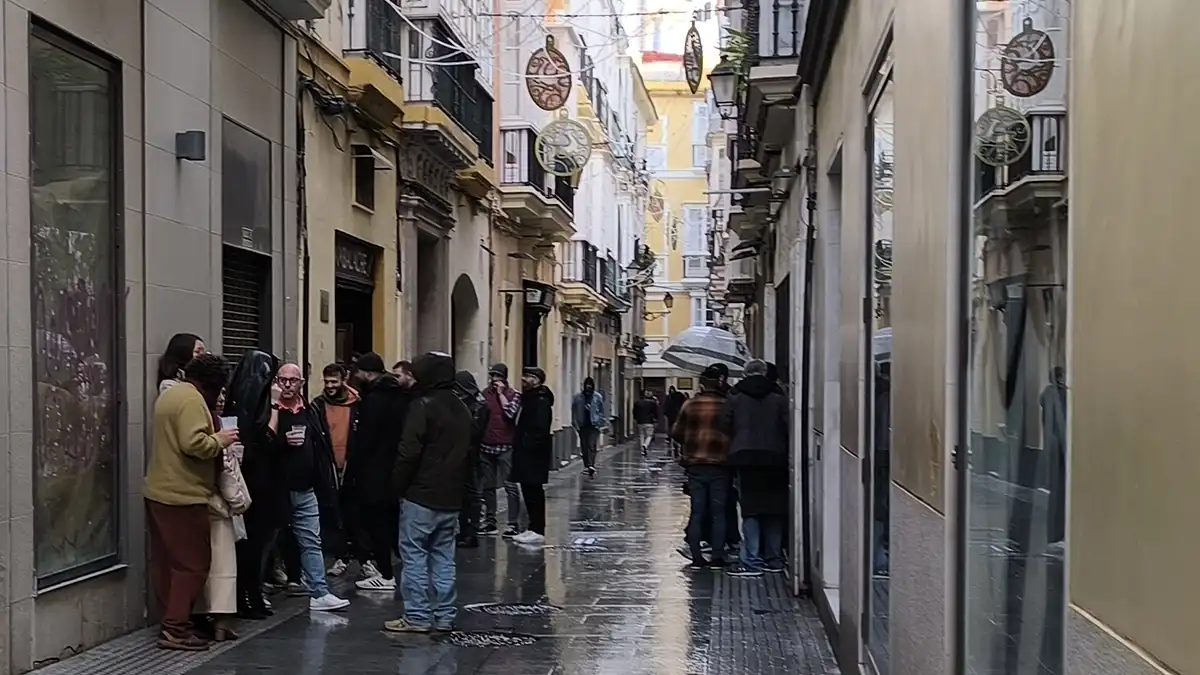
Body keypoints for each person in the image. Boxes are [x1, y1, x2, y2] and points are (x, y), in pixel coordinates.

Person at [145, 353, 239, 650]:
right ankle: (175, 629)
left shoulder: (172, 395)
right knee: (193, 565)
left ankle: (173, 622)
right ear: (211, 384)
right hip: (182, 495)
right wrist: (221, 440)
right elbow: (193, 443)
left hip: (159, 491)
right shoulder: (192, 401)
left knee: (168, 564)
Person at [384, 352, 474, 633]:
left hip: (421, 495)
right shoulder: (462, 408)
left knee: (414, 555)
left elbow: (408, 452)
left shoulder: (422, 406)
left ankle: (417, 616)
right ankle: (445, 615)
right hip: (451, 497)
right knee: (444, 557)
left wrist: (397, 486)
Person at [272, 363, 350, 611]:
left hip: (306, 488)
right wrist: (282, 442)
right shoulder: (271, 410)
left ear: (301, 383)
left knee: (311, 541)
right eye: (282, 380)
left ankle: (319, 592)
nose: (286, 385)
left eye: (292, 380)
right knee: (268, 541)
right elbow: (262, 444)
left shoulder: (309, 409)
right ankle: (258, 590)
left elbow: (320, 444)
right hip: (278, 489)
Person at [347, 353, 412, 592]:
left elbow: (365, 440)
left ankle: (385, 574)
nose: (354, 377)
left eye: (357, 372)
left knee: (377, 524)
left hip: (374, 472)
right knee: (392, 523)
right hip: (394, 471)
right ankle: (400, 571)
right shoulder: (400, 397)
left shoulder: (374, 400)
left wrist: (353, 472)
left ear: (367, 372)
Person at [721, 359, 790, 577]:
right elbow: (789, 427)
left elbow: (724, 424)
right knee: (774, 508)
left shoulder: (735, 396)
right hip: (775, 457)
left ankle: (751, 560)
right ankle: (774, 558)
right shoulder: (780, 397)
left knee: (750, 509)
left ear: (745, 373)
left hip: (745, 457)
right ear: (765, 372)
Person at [193, 389, 251, 642]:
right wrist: (240, 501)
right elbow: (225, 471)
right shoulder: (217, 427)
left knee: (205, 566)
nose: (222, 397)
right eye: (218, 392)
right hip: (218, 506)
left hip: (199, 502)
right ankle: (221, 624)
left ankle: (202, 618)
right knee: (223, 568)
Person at [672, 366, 733, 570]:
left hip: (695, 465)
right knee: (719, 512)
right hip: (720, 465)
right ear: (720, 382)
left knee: (697, 511)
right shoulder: (727, 405)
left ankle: (697, 556)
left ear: (702, 384)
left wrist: (692, 440)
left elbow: (677, 433)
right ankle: (717, 555)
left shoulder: (690, 405)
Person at [310, 363, 360, 577]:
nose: (330, 386)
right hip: (328, 466)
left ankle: (362, 556)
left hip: (352, 465)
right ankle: (341, 556)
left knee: (354, 513)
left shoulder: (356, 404)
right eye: (327, 382)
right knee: (332, 513)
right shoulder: (318, 405)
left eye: (334, 382)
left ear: (344, 380)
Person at [510, 367, 554, 546]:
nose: (524, 379)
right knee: (529, 490)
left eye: (528, 377)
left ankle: (537, 529)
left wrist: (529, 446)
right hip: (527, 451)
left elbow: (540, 428)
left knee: (534, 491)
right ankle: (532, 527)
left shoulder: (540, 400)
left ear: (536, 380)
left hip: (534, 454)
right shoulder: (530, 398)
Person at [478, 363, 523, 537]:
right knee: (487, 487)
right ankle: (490, 522)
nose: (494, 380)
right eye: (492, 376)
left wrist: (501, 394)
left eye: (498, 376)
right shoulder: (484, 394)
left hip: (506, 446)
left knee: (510, 486)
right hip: (486, 445)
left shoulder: (514, 395)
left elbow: (511, 414)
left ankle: (513, 524)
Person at [453, 370, 490, 549]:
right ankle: (464, 529)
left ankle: (471, 531)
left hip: (472, 455)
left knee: (472, 495)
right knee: (461, 495)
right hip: (461, 454)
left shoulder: (479, 406)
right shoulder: (464, 404)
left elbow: (475, 431)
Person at [571, 377, 605, 476]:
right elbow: (574, 411)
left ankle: (591, 465)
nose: (588, 387)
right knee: (584, 446)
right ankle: (586, 465)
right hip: (582, 425)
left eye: (590, 385)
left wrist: (599, 422)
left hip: (594, 425)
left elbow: (601, 410)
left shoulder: (597, 397)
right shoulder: (578, 397)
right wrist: (575, 423)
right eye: (587, 385)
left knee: (592, 445)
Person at [632, 390, 659, 455]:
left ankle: (642, 450)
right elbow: (655, 413)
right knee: (649, 435)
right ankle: (645, 445)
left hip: (640, 421)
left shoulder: (637, 403)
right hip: (649, 421)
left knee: (641, 435)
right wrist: (656, 420)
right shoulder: (652, 404)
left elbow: (634, 412)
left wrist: (635, 419)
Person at [664, 386, 686, 453]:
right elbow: (666, 406)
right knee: (671, 428)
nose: (672, 391)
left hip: (676, 415)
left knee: (675, 428)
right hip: (672, 415)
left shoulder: (677, 396)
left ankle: (675, 440)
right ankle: (672, 439)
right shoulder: (669, 397)